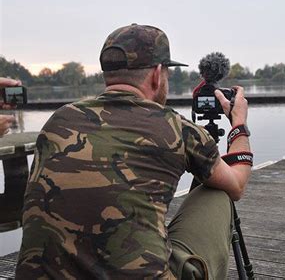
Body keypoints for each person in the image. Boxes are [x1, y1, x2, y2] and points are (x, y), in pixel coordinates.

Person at [15, 23, 253, 279]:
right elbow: (237, 184)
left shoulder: (58, 121)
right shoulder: (176, 128)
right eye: (167, 75)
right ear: (156, 74)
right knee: (218, 193)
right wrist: (238, 124)